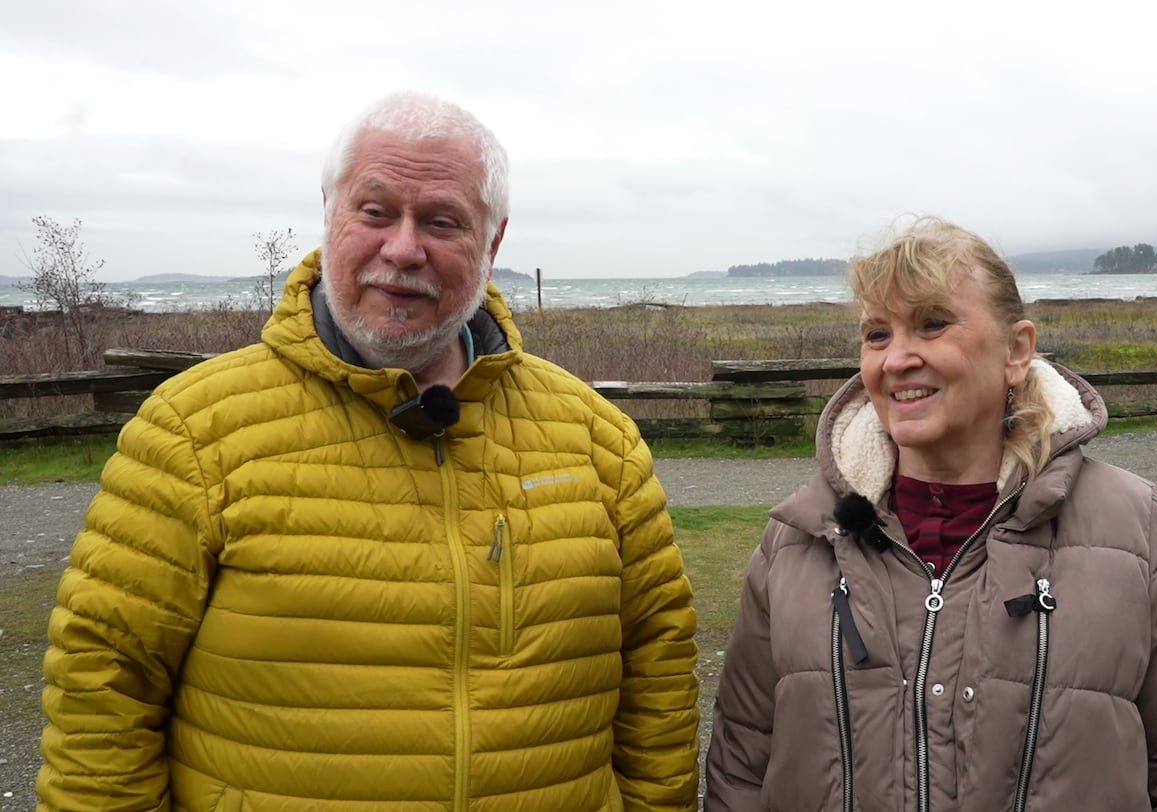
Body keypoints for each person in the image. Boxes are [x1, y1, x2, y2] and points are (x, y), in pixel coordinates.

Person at [37, 91, 700, 811]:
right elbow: (104, 688)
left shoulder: (596, 440)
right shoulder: (194, 432)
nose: (404, 248)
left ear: (494, 241)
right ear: (329, 212)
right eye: (376, 211)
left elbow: (658, 683)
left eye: (442, 221)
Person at [704, 218, 1157, 811]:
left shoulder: (1138, 527)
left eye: (932, 324)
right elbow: (742, 763)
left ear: (1016, 350)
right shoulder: (799, 537)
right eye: (876, 334)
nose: (896, 359)